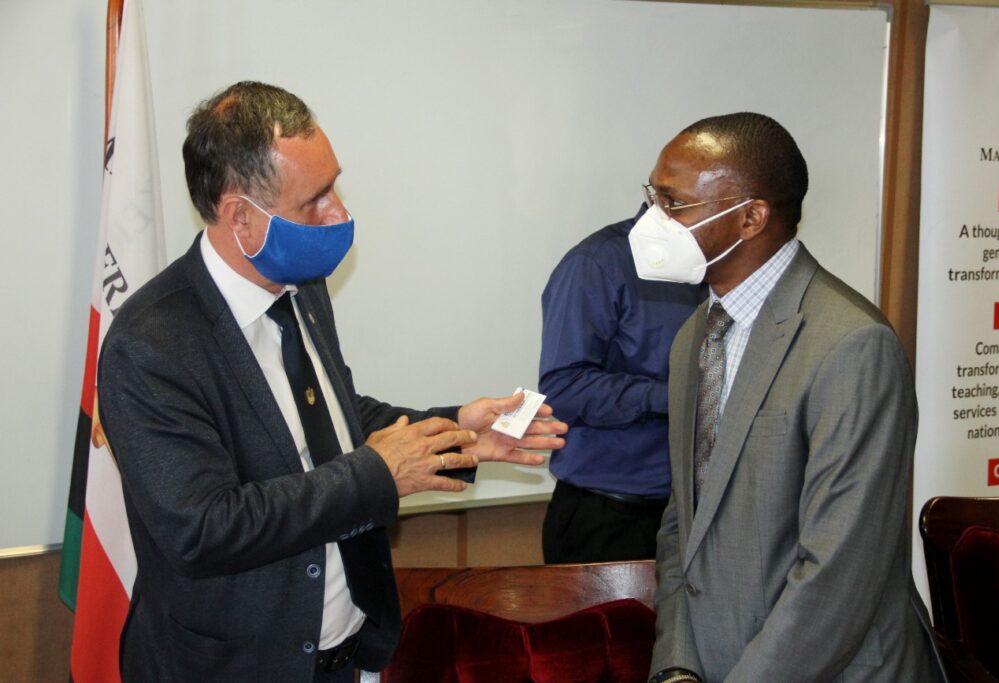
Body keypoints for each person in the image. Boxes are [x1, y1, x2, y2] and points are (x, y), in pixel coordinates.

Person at [96, 81, 567, 683]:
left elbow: (334, 419)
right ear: (240, 216)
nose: (340, 212)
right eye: (313, 200)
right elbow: (203, 527)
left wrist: (453, 431)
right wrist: (377, 472)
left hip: (345, 658)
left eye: (334, 185)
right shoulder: (151, 343)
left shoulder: (303, 289)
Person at [629, 113, 946, 682]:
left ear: (751, 217)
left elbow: (840, 571)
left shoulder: (851, 345)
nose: (654, 221)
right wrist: (678, 665)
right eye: (652, 198)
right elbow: (682, 525)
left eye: (674, 205)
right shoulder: (695, 336)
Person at [539, 208, 703, 563]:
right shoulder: (598, 263)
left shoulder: (728, 266)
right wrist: (679, 396)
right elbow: (563, 389)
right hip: (613, 518)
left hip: (701, 515)